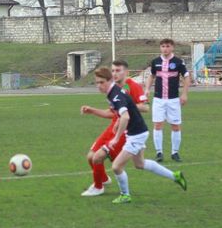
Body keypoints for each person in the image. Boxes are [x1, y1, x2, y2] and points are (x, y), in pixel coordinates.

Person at [91, 66, 187, 204]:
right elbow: (123, 113)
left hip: (136, 134)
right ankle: (175, 176)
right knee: (140, 164)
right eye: (96, 83)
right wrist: (118, 121)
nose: (99, 86)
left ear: (109, 80)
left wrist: (116, 138)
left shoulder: (115, 95)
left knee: (116, 167)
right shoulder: (113, 92)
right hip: (137, 131)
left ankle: (125, 195)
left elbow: (125, 116)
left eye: (101, 82)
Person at [80, 60, 149, 196]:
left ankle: (99, 187)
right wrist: (92, 110)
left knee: (99, 158)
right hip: (114, 126)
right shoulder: (111, 91)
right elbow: (111, 113)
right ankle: (103, 179)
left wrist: (128, 108)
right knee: (90, 157)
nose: (115, 73)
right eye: (113, 70)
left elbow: (144, 108)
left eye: (118, 70)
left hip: (126, 130)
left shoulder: (129, 88)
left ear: (126, 72)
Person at [144, 38, 190, 162]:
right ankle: (159, 152)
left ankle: (175, 152)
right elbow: (152, 76)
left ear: (172, 47)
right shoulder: (155, 62)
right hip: (158, 99)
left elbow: (186, 77)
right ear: (160, 48)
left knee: (175, 126)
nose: (165, 48)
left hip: (173, 99)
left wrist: (184, 94)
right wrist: (147, 89)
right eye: (163, 46)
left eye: (168, 46)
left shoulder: (178, 62)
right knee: (158, 125)